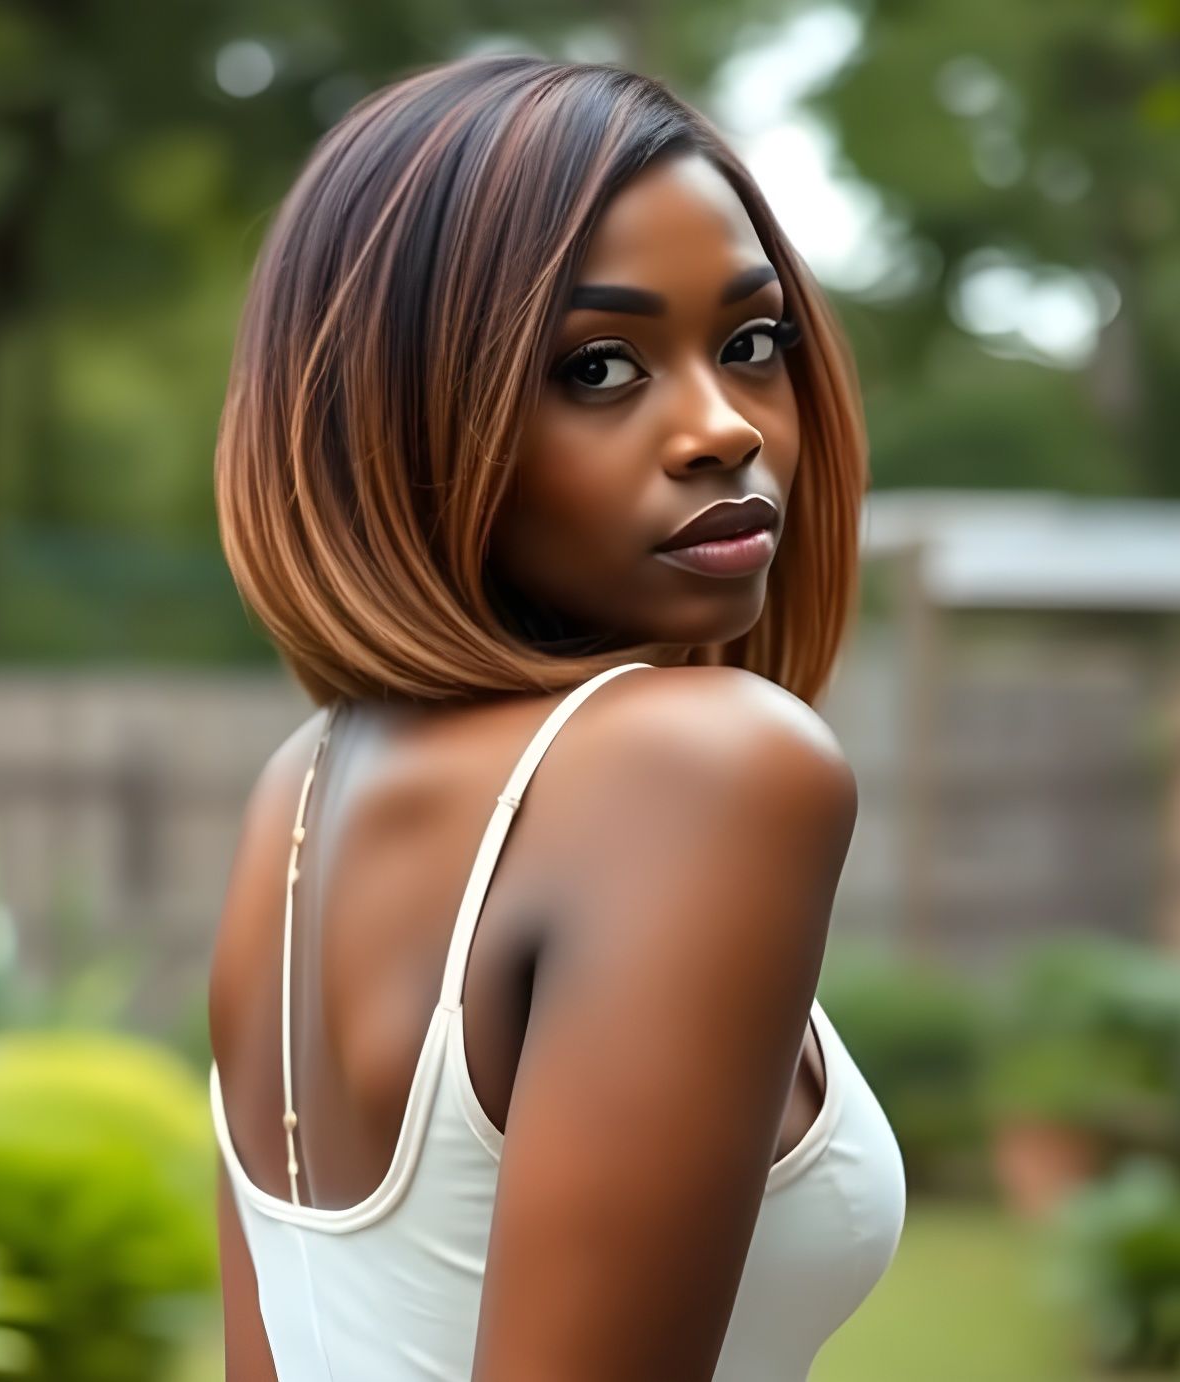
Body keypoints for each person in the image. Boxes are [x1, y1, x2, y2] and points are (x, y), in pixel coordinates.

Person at [208, 53, 905, 1382]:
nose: (721, 428)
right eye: (596, 366)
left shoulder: (300, 788)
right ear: (396, 418)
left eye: (752, 343)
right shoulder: (705, 769)